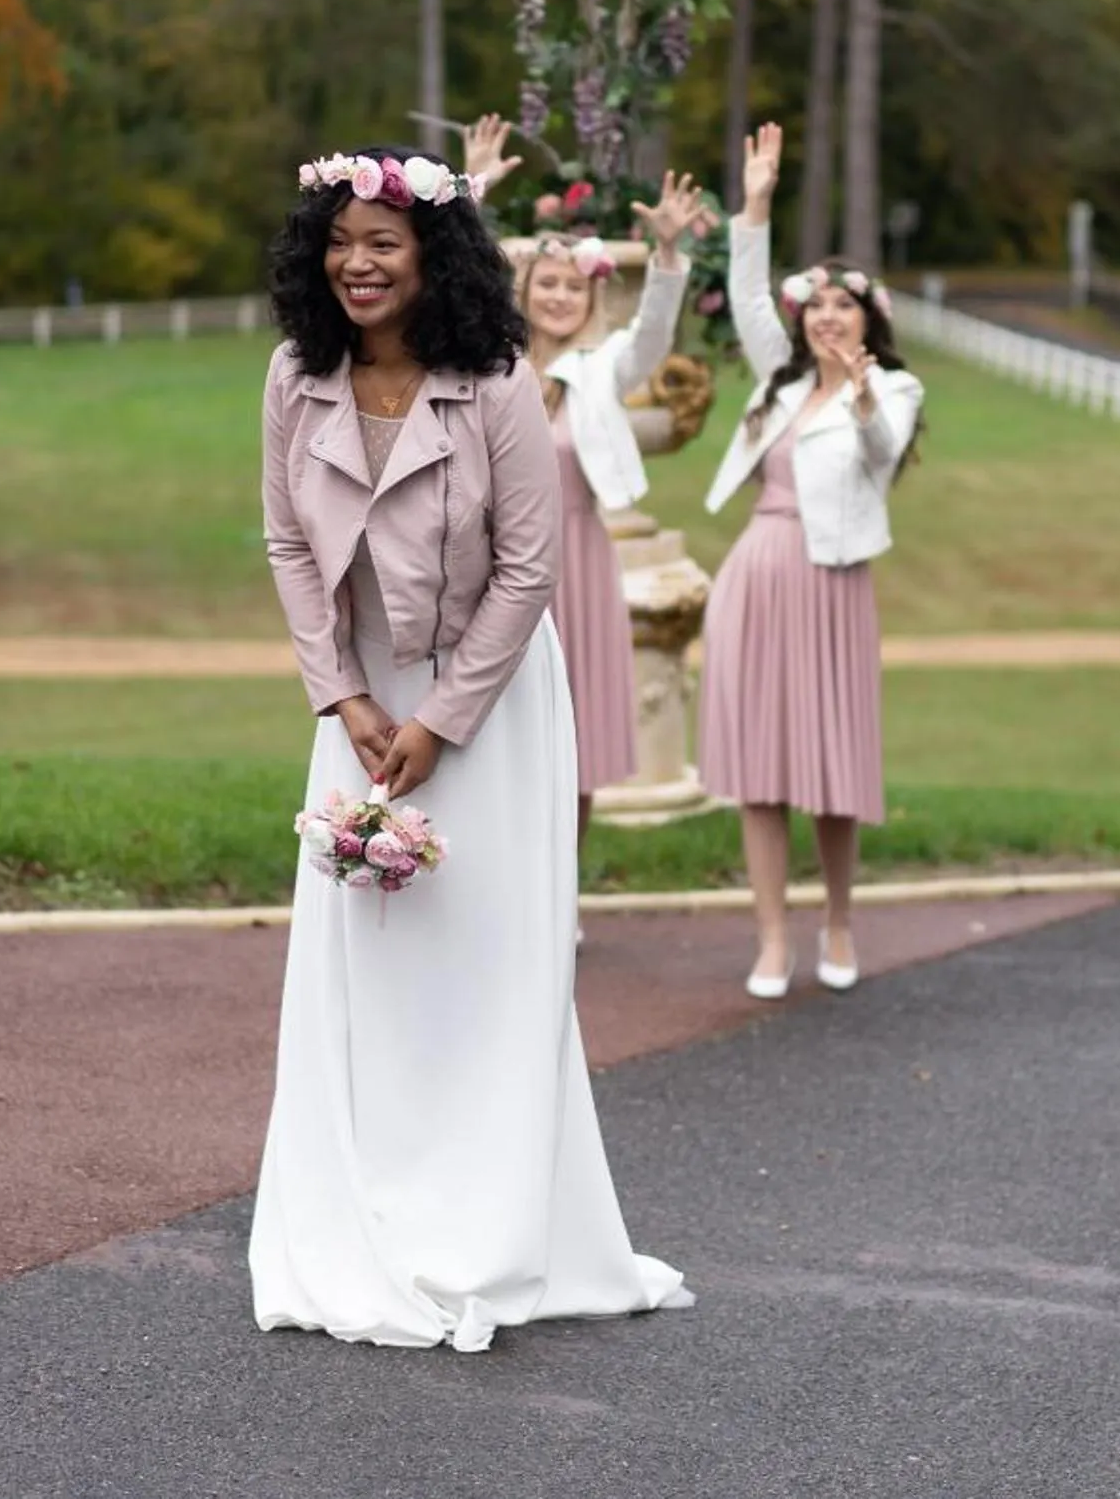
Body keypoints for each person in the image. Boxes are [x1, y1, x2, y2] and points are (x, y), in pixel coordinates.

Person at [249, 144, 689, 1350]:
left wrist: (444, 720)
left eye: (382, 243)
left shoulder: (494, 382)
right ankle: (362, 1223)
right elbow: (291, 548)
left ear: (431, 256)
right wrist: (344, 702)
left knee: (484, 958)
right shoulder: (296, 377)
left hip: (485, 708)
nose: (357, 264)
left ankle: (485, 1231)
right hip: (357, 713)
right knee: (370, 962)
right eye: (338, 244)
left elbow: (531, 569)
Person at [697, 123, 924, 1001]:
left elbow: (882, 453)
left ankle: (836, 917)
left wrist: (865, 396)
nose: (827, 317)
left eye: (845, 305)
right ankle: (768, 937)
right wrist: (754, 205)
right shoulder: (779, 382)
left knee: (829, 767)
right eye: (817, 305)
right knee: (760, 769)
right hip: (759, 568)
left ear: (869, 319)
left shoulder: (894, 391)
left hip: (832, 583)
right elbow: (748, 300)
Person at [474, 118, 701, 835]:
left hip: (578, 561)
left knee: (573, 738)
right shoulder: (491, 368)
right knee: (498, 733)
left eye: (573, 287)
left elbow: (654, 335)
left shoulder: (604, 368)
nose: (560, 298)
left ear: (589, 297)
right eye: (547, 284)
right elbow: (450, 286)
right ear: (525, 289)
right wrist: (471, 190)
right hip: (498, 563)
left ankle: (560, 902)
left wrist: (665, 253)